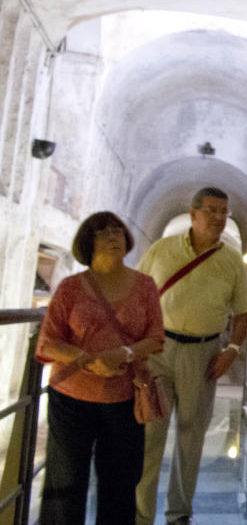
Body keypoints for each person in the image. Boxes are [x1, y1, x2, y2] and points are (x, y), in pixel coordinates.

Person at [36, 212, 164, 524]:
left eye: (118, 231)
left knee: (121, 483)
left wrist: (124, 352)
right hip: (71, 398)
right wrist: (87, 360)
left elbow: (155, 338)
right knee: (65, 482)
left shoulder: (145, 286)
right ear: (88, 241)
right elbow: (47, 343)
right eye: (103, 232)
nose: (113, 237)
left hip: (123, 398)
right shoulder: (70, 288)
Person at [135, 187, 247, 525]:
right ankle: (141, 515)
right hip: (158, 350)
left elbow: (242, 312)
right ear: (193, 213)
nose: (219, 217)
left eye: (224, 212)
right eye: (212, 210)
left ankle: (179, 513)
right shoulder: (162, 250)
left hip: (204, 353)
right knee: (149, 433)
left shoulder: (231, 261)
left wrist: (233, 350)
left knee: (191, 435)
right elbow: (140, 294)